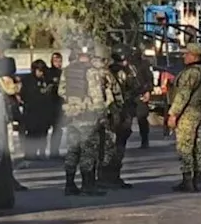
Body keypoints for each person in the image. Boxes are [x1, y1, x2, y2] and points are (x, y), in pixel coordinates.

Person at [59, 44, 111, 197]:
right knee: (88, 151)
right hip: (88, 116)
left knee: (72, 150)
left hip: (71, 115)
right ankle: (88, 185)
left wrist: (72, 103)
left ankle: (69, 184)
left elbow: (61, 91)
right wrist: (102, 115)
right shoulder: (91, 71)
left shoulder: (67, 70)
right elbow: (97, 96)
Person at [0, 39, 28, 192]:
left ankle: (7, 181)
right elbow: (12, 89)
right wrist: (19, 85)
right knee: (6, 152)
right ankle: (5, 182)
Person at [167, 43, 201, 192]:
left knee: (185, 147)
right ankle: (197, 181)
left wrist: (173, 114)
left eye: (187, 54)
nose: (184, 56)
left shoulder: (191, 73)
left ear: (194, 55)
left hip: (187, 113)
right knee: (196, 148)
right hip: (196, 112)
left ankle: (187, 181)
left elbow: (183, 95)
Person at [102, 50, 137, 189]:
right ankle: (107, 177)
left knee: (117, 146)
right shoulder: (110, 74)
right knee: (112, 147)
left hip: (122, 113)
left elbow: (134, 88)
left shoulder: (124, 72)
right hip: (114, 113)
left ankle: (113, 176)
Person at [19, 60, 55, 159]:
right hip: (32, 111)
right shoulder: (28, 80)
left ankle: (42, 152)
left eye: (42, 71)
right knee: (32, 133)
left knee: (43, 133)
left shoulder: (47, 80)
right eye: (39, 70)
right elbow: (24, 95)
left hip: (44, 111)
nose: (41, 73)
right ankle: (30, 153)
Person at [129, 47, 153, 148]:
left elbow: (149, 79)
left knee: (142, 118)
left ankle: (144, 140)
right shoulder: (126, 65)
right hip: (128, 95)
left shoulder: (143, 64)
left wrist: (147, 91)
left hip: (140, 94)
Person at [46, 52, 64, 157]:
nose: (58, 63)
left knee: (58, 129)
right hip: (49, 104)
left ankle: (55, 150)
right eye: (55, 61)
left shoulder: (63, 73)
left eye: (59, 61)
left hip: (59, 104)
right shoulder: (49, 73)